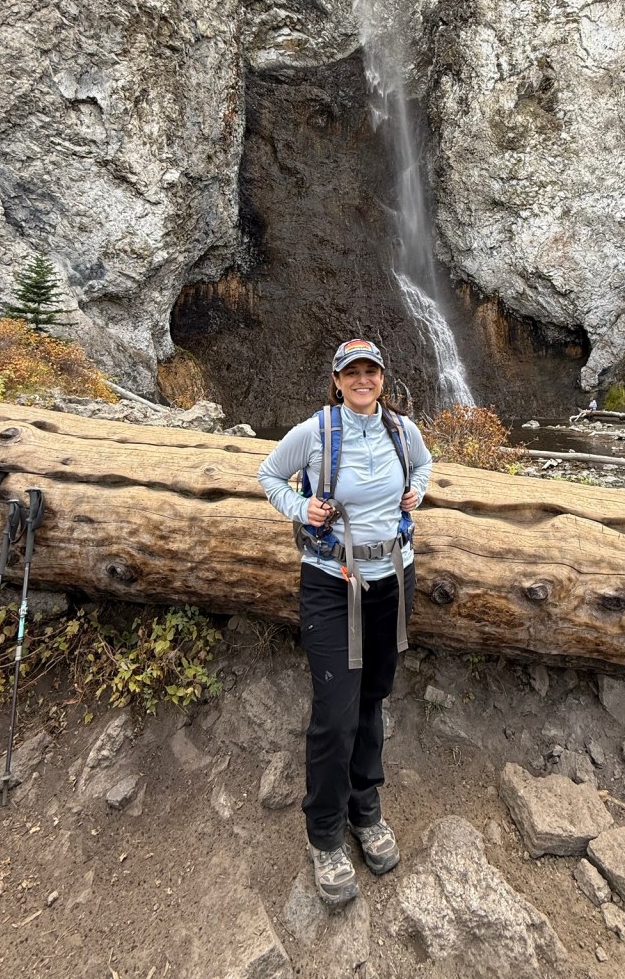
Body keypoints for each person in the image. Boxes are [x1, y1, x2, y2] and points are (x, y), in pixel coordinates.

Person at [257, 339, 433, 907]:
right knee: (335, 713)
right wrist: (299, 507)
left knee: (372, 699)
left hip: (393, 577)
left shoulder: (402, 431)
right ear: (336, 381)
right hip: (331, 584)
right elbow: (269, 474)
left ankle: (366, 808)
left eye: (370, 371)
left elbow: (425, 466)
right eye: (351, 372)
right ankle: (325, 834)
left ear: (382, 378)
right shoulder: (315, 432)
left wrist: (418, 491)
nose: (362, 379)